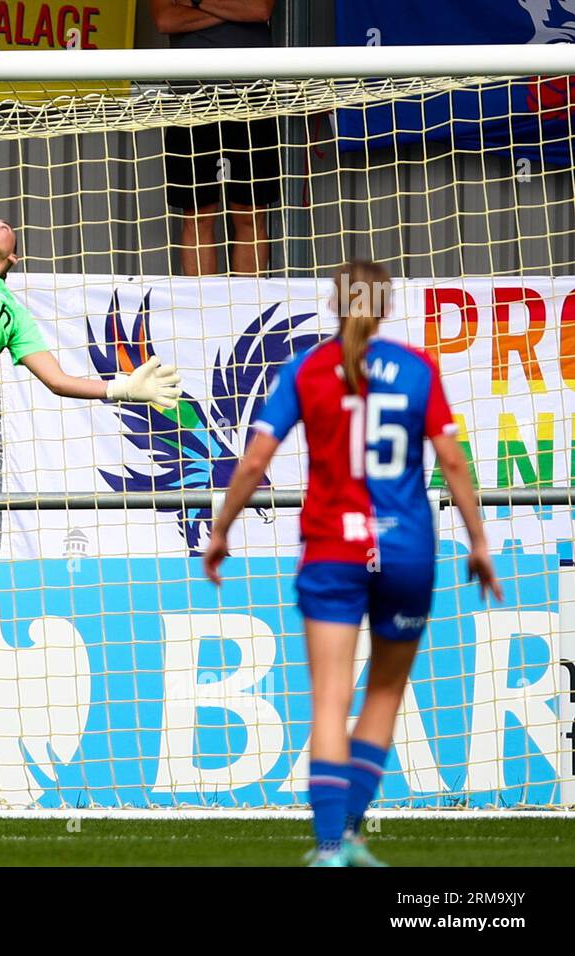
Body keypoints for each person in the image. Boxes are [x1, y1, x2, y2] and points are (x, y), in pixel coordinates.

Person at [0, 58, 182, 745]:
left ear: (13, 256)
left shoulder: (13, 312)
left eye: (3, 227)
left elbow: (53, 378)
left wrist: (120, 387)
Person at [203, 259, 502, 866]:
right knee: (385, 694)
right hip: (408, 550)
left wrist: (221, 530)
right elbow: (451, 462)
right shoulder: (418, 369)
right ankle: (355, 835)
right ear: (386, 306)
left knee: (330, 700)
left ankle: (331, 845)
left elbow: (256, 462)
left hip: (333, 549)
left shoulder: (308, 369)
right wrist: (478, 542)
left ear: (337, 303)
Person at [150, 0, 279, 276]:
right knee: (198, 212)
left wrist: (196, 4)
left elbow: (258, 10)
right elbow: (166, 20)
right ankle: (202, 312)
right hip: (191, 97)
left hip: (251, 95)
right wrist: (232, 12)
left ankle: (249, 309)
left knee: (250, 211)